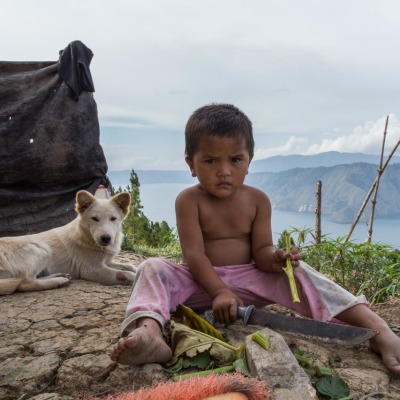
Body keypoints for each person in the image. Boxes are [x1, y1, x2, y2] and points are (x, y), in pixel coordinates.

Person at [111, 104, 400, 375]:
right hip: (199, 282)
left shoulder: (258, 200)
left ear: (249, 161)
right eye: (210, 161)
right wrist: (219, 292)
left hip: (250, 282)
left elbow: (261, 251)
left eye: (235, 160)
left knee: (301, 274)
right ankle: (149, 332)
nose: (224, 171)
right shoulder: (188, 200)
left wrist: (276, 260)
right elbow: (194, 255)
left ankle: (378, 330)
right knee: (152, 268)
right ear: (191, 164)